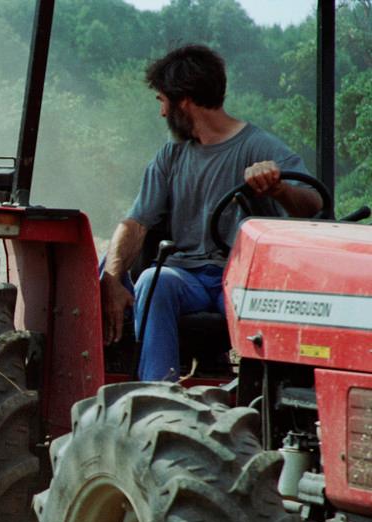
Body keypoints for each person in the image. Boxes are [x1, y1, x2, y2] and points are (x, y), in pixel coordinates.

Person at [100, 44, 323, 381]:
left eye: (162, 101)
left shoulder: (257, 146)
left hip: (239, 279)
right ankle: (157, 393)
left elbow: (313, 204)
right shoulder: (171, 157)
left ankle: (263, 400)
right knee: (154, 280)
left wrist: (278, 188)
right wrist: (113, 279)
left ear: (183, 100)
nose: (162, 114)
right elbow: (136, 223)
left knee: (269, 301)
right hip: (186, 277)